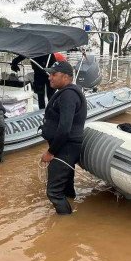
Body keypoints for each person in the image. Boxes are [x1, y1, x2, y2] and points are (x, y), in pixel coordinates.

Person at [40, 61, 88, 214]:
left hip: (65, 149)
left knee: (53, 192)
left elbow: (65, 128)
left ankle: (66, 223)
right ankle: (72, 214)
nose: (50, 77)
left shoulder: (68, 95)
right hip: (66, 147)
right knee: (66, 187)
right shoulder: (66, 92)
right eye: (50, 74)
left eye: (54, 74)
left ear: (66, 76)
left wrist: (51, 152)